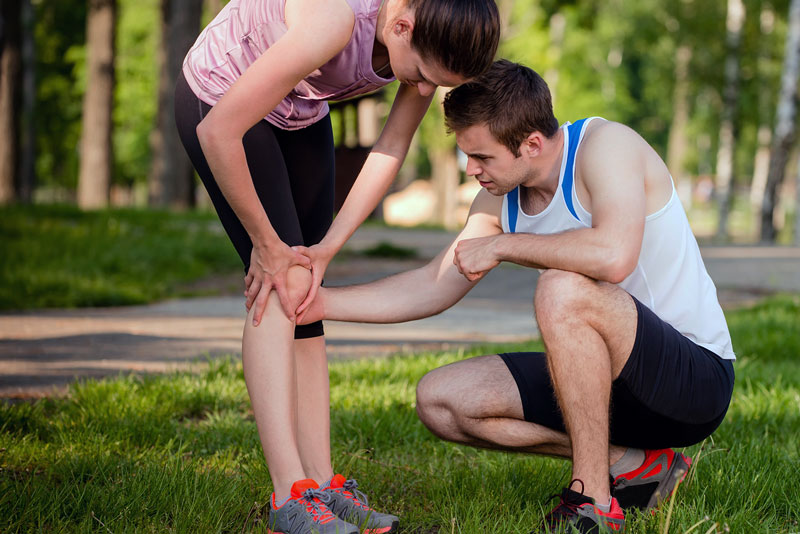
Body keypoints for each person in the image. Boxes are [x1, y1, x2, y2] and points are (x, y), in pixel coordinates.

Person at [297, 59, 735, 533]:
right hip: (605, 388)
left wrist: (504, 245)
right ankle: (636, 465)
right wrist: (319, 303)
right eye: (467, 155)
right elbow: (434, 282)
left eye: (482, 157)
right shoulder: (500, 195)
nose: (471, 170)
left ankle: (592, 503)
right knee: (441, 399)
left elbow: (614, 256)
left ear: (530, 144)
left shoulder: (606, 147)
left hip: (692, 382)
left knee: (562, 286)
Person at [174, 1, 500, 533]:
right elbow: (218, 132)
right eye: (420, 75)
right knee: (282, 284)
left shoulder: (422, 46)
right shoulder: (332, 20)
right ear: (401, 26)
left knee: (307, 291)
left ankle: (322, 483)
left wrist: (327, 247)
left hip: (300, 109)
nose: (420, 90)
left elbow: (392, 145)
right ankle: (289, 496)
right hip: (222, 100)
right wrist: (267, 243)